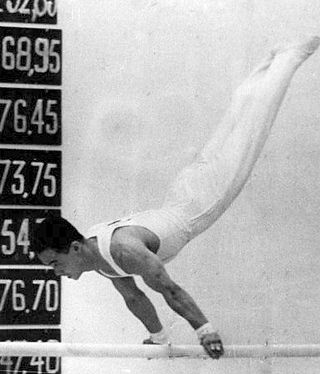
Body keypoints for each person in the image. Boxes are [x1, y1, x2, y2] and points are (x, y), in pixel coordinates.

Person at [32, 36, 320, 359]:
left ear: (74, 247)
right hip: (184, 195)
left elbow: (167, 288)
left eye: (55, 263)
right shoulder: (99, 260)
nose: (56, 272)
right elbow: (134, 299)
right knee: (231, 128)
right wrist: (159, 337)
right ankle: (269, 61)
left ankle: (294, 53)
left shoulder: (121, 250)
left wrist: (204, 329)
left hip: (200, 204)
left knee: (251, 132)